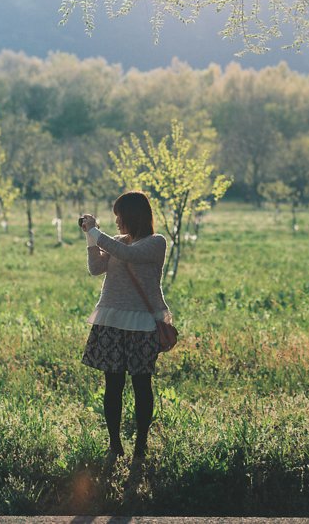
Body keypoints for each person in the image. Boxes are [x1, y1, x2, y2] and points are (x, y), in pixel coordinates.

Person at [79, 190, 171, 464]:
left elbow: (127, 255)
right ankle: (115, 445)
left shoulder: (156, 243)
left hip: (142, 323)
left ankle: (141, 446)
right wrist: (90, 236)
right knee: (112, 386)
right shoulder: (117, 241)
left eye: (120, 216)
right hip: (111, 321)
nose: (117, 222)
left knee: (142, 385)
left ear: (133, 215)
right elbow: (96, 268)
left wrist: (97, 232)